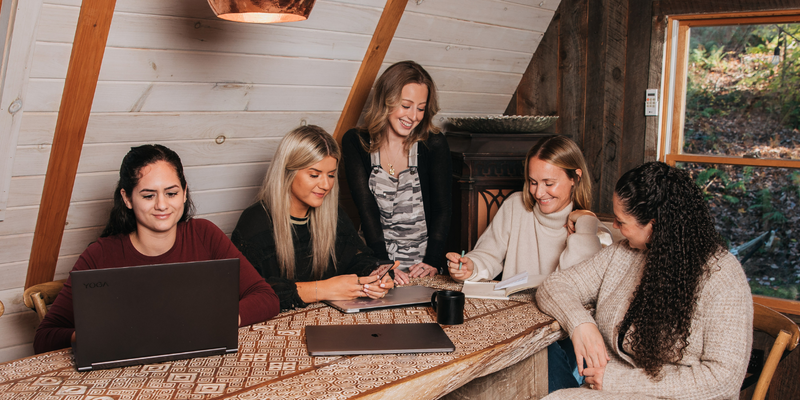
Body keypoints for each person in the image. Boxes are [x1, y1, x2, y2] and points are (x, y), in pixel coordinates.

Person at [34, 145, 280, 354]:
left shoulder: (204, 234)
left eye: (171, 193)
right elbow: (44, 337)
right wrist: (97, 336)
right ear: (127, 198)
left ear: (184, 193)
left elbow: (266, 297)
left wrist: (221, 318)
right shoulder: (100, 254)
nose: (162, 205)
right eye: (148, 196)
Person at [537, 162, 752, 399]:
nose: (615, 227)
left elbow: (723, 381)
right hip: (608, 390)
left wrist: (616, 379)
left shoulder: (722, 275)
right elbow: (554, 286)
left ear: (655, 226)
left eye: (621, 222)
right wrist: (580, 324)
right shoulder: (624, 253)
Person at [232, 125, 394, 311]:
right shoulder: (255, 222)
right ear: (287, 172)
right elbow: (245, 292)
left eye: (331, 175)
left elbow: (358, 259)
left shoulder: (334, 215)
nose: (326, 185)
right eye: (314, 174)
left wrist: (374, 277)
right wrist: (322, 289)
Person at [342, 60, 452, 285]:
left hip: (421, 265)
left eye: (421, 108)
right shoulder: (356, 142)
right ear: (386, 100)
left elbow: (443, 208)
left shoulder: (434, 143)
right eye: (406, 105)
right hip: (373, 258)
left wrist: (432, 260)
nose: (413, 116)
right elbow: (366, 209)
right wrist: (381, 262)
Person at [446, 135, 610, 284]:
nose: (538, 193)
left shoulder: (593, 230)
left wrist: (585, 221)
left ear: (575, 178)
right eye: (533, 182)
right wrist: (470, 267)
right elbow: (488, 254)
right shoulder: (515, 206)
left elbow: (580, 284)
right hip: (514, 310)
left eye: (549, 183)